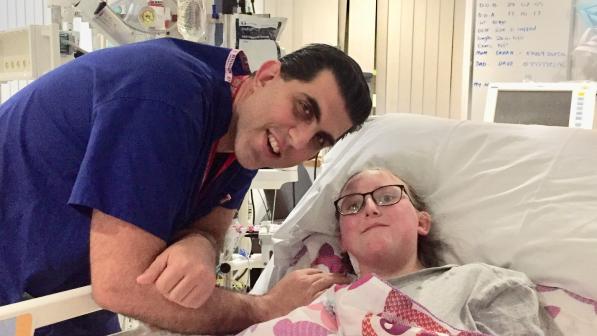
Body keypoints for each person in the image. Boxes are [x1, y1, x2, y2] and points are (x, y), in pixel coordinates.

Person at [0, 37, 371, 335]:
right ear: (268, 76)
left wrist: (200, 245)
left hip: (62, 289)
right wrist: (264, 308)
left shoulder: (245, 139)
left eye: (320, 140)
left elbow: (210, 227)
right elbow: (121, 286)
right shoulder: (166, 96)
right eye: (304, 109)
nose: (298, 139)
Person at [331, 168, 560, 335]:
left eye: (387, 197)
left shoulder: (483, 283)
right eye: (352, 205)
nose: (370, 208)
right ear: (343, 239)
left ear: (422, 223)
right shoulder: (323, 300)